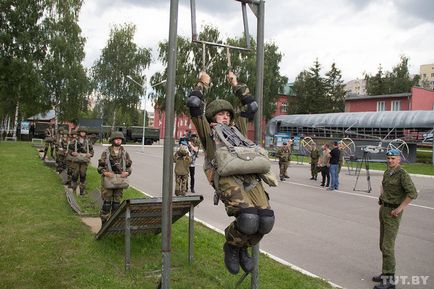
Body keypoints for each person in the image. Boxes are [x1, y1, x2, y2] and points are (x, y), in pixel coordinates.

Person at [186, 70, 276, 275]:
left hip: (251, 176)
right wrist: (202, 83)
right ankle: (233, 246)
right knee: (248, 219)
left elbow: (251, 106)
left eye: (227, 114)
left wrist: (236, 84)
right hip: (226, 176)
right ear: (212, 117)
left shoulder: (238, 129)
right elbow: (193, 103)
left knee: (266, 220)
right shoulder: (207, 131)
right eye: (221, 114)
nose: (225, 117)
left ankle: (243, 247)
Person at [372, 149, 417, 289]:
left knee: (387, 246)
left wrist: (400, 208)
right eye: (389, 158)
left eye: (393, 158)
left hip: (393, 212)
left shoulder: (402, 174)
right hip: (384, 209)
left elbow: (413, 193)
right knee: (382, 244)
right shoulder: (388, 172)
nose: (390, 160)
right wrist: (382, 196)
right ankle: (386, 273)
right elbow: (383, 186)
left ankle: (389, 280)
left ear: (399, 159)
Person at [97, 132, 132, 225]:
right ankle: (103, 225)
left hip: (120, 181)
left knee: (117, 204)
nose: (118, 140)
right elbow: (99, 167)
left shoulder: (125, 153)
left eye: (120, 139)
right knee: (106, 204)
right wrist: (105, 172)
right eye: (116, 139)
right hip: (108, 181)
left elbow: (129, 167)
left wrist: (127, 172)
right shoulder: (106, 152)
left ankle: (112, 225)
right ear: (112, 140)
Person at [67, 127, 94, 195]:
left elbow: (91, 150)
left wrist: (90, 154)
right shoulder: (75, 140)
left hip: (84, 160)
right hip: (76, 160)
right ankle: (73, 188)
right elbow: (70, 149)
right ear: (79, 133)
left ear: (86, 133)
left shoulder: (88, 141)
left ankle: (82, 190)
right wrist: (72, 153)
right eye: (81, 132)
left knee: (83, 174)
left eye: (84, 132)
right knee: (75, 174)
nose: (83, 133)